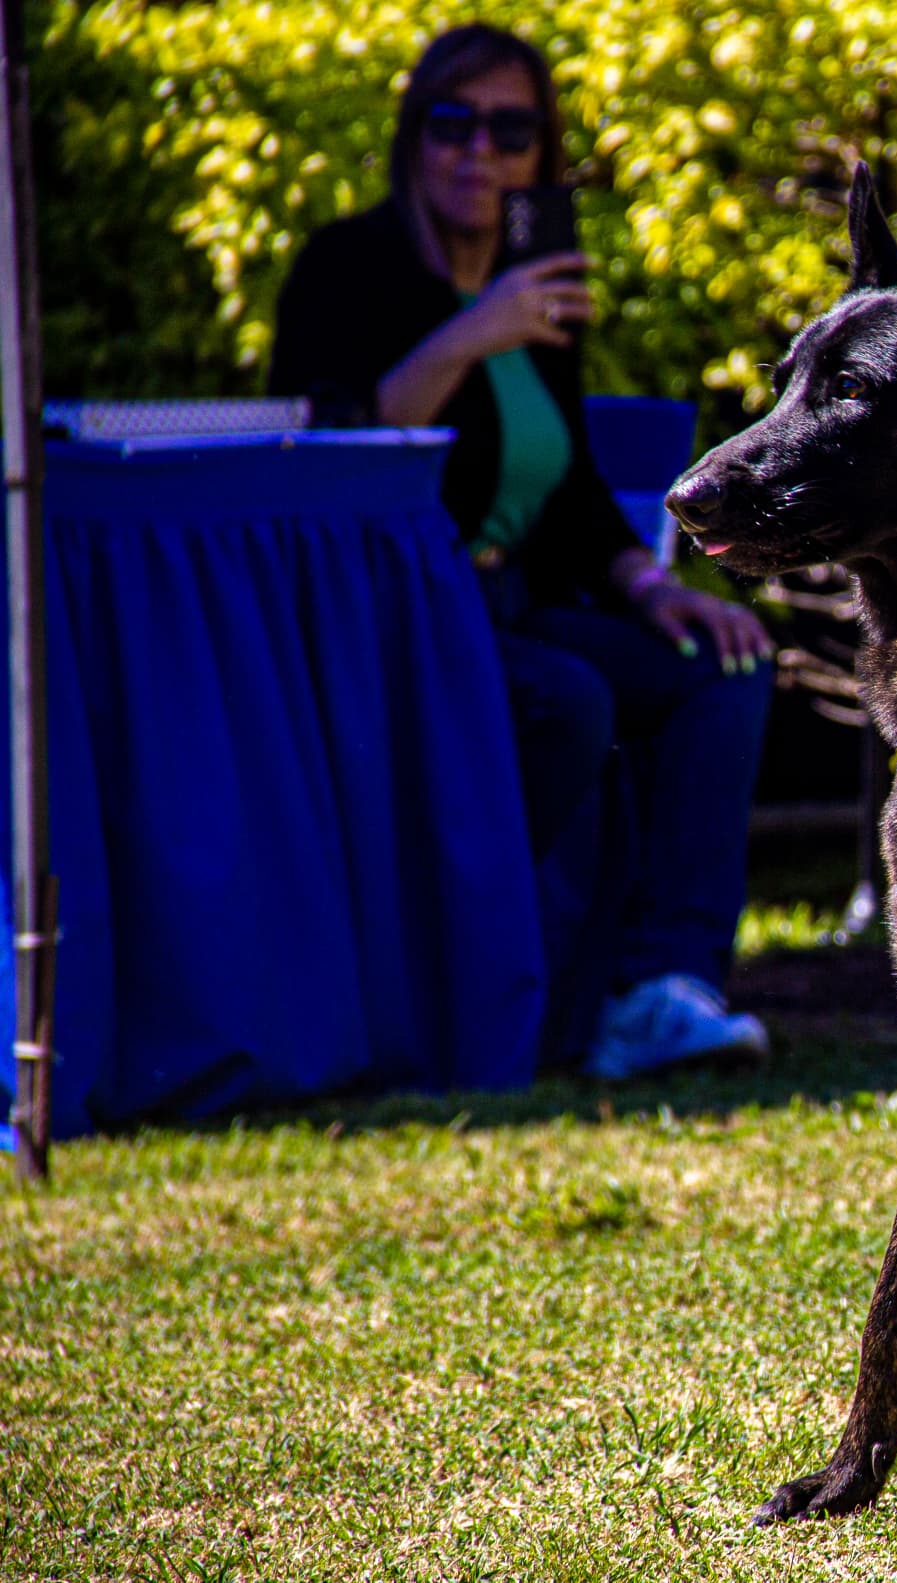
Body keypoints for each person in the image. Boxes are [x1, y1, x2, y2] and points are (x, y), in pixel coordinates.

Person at [270, 23, 775, 1079]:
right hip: (403, 621)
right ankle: (521, 998)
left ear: (541, 152)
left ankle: (665, 987)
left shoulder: (530, 276)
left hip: (514, 605)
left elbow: (569, 482)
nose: (479, 153)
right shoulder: (347, 270)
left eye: (511, 132)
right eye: (453, 124)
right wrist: (472, 332)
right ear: (414, 136)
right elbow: (332, 461)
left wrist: (651, 585)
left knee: (720, 664)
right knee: (568, 699)